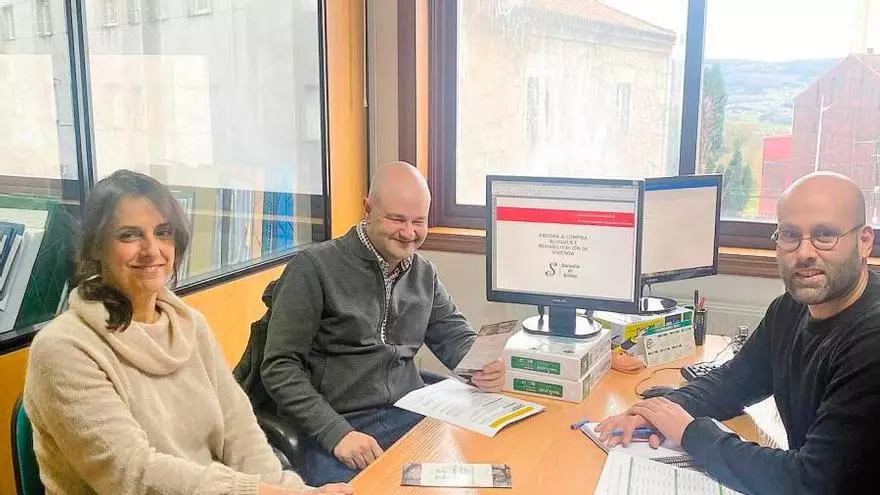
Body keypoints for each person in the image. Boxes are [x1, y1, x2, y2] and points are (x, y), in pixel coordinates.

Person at [23, 170, 352, 495]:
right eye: (129, 235)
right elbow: (131, 475)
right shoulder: (64, 348)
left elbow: (240, 432)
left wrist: (290, 489)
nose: (152, 249)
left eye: (163, 233)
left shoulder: (190, 325)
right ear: (96, 247)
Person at [596, 171, 880, 494]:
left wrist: (690, 433)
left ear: (864, 242)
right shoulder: (790, 308)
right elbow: (735, 381)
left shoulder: (871, 342)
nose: (804, 253)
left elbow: (810, 481)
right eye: (790, 235)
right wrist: (661, 411)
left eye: (824, 235)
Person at [261, 161, 505, 485]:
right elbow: (279, 367)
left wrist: (481, 365)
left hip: (410, 412)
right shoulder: (313, 269)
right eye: (397, 219)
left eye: (419, 221)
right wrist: (336, 433)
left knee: (485, 470)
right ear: (368, 209)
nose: (408, 233)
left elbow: (453, 335)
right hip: (337, 425)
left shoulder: (423, 272)